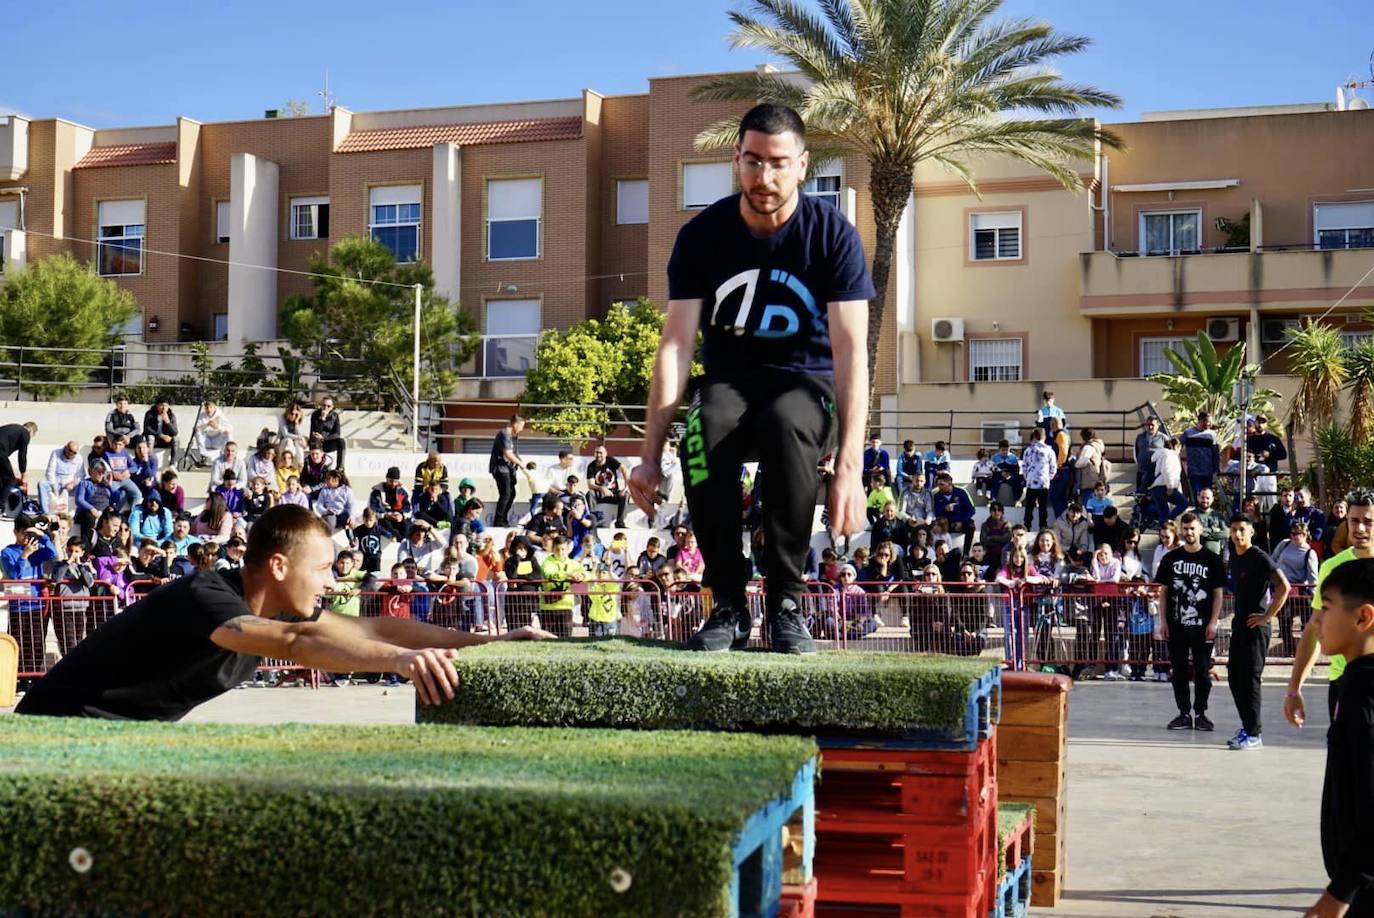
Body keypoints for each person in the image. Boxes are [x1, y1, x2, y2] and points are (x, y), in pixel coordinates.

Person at [628, 104, 873, 655]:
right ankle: (730, 603)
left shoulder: (832, 236)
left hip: (808, 386)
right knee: (704, 428)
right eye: (754, 162)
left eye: (779, 164)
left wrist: (851, 468)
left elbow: (851, 350)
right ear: (736, 159)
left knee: (788, 422)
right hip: (730, 382)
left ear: (804, 165)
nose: (765, 178)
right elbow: (676, 345)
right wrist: (647, 455)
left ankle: (786, 601)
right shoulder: (702, 236)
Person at [15, 504, 555, 719]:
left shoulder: (282, 612)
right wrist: (398, 661)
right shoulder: (206, 598)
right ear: (277, 566)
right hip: (58, 730)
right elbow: (294, 646)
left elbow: (375, 625)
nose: (332, 580)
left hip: (123, 741)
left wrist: (494, 643)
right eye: (320, 570)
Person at [1303, 558, 1374, 918]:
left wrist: (1343, 889)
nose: (1314, 620)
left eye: (1325, 608)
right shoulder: (1354, 685)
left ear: (1363, 618)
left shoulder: (1365, 693)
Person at [1286, 489, 1374, 728]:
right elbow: (1315, 627)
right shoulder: (1332, 567)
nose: (1361, 528)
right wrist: (1294, 689)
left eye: (1368, 522)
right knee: (1344, 761)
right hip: (1343, 683)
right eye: (1354, 521)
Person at [1224, 514, 1291, 751]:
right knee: (1234, 677)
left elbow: (1284, 586)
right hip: (1240, 625)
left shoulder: (1259, 557)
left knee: (1250, 679)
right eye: (1233, 530)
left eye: (1242, 529)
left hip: (1257, 626)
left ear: (1251, 531)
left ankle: (1255, 734)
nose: (1237, 534)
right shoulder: (1234, 555)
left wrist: (1267, 616)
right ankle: (1247, 726)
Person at [1155, 512, 1226, 732]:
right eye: (1185, 529)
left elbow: (1218, 594)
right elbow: (1163, 592)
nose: (1189, 533)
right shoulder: (1171, 558)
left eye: (1192, 528)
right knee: (1178, 671)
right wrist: (1162, 621)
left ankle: (1201, 713)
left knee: (1203, 672)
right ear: (1180, 530)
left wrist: (1214, 621)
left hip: (1202, 626)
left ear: (1201, 530)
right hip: (1176, 625)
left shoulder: (1211, 559)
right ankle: (1184, 713)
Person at [489, 414, 525, 527]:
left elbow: (512, 453)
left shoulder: (508, 436)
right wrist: (520, 464)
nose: (522, 429)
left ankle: (503, 518)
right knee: (506, 494)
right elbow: (508, 453)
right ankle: (499, 520)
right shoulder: (504, 434)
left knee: (511, 494)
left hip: (508, 469)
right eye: (522, 426)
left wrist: (518, 460)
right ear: (516, 424)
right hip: (501, 469)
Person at [585, 444, 629, 529]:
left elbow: (624, 470)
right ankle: (591, 521)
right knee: (590, 494)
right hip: (600, 493)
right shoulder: (591, 466)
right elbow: (590, 485)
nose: (598, 455)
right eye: (596, 452)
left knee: (625, 495)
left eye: (601, 453)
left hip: (613, 493)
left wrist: (626, 487)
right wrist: (602, 488)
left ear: (605, 453)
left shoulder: (611, 461)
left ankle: (620, 522)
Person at [1021, 429, 1056, 531]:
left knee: (1029, 507)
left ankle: (1027, 526)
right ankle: (1043, 526)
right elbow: (1053, 466)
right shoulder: (1049, 450)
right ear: (1044, 437)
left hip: (1031, 482)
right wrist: (1049, 477)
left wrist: (1027, 477)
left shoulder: (1028, 450)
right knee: (1043, 507)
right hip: (1043, 482)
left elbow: (1024, 466)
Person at [932, 473, 977, 554]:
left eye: (942, 484)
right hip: (946, 523)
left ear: (949, 483)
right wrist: (945, 509)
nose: (939, 487)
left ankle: (966, 553)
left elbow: (971, 510)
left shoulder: (961, 492)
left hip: (961, 520)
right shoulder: (937, 495)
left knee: (971, 526)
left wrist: (961, 521)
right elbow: (937, 512)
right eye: (938, 485)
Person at [73, 462, 117, 543]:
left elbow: (116, 498)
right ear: (91, 472)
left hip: (104, 512)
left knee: (117, 518)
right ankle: (86, 545)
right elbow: (79, 500)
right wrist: (92, 509)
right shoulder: (84, 483)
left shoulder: (106, 486)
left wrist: (110, 486)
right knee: (89, 517)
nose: (101, 475)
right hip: (88, 512)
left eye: (103, 472)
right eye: (98, 472)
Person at [39, 441, 84, 516]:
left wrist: (73, 483)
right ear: (66, 447)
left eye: (74, 452)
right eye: (70, 450)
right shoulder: (56, 453)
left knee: (82, 486)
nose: (71, 453)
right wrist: (54, 487)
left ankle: (76, 514)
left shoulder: (79, 458)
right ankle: (46, 513)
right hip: (55, 483)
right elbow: (50, 472)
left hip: (69, 486)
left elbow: (81, 476)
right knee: (42, 484)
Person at [1182, 412, 1220, 502]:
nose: (1209, 424)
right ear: (1200, 420)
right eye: (1207, 421)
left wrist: (1216, 469)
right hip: (1194, 471)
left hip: (1207, 471)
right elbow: (1177, 446)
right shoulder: (1188, 433)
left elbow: (1215, 453)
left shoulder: (1212, 435)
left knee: (1207, 495)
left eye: (1210, 422)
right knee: (1197, 495)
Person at [368, 466, 412, 540]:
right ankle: (400, 539)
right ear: (386, 479)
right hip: (384, 517)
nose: (393, 484)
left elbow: (408, 508)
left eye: (395, 481)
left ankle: (405, 541)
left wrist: (402, 515)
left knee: (407, 524)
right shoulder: (377, 492)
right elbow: (372, 508)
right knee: (385, 523)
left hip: (398, 517)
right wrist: (385, 515)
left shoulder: (403, 491)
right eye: (391, 481)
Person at [0, 420, 37, 501]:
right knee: (10, 480)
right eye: (31, 436)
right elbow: (22, 455)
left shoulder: (12, 428)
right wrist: (23, 473)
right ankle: (1, 506)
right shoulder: (25, 433)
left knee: (2, 479)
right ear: (31, 431)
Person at [1189, 488, 1229, 556]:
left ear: (1212, 499)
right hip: (1197, 554)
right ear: (1198, 498)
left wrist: (1205, 532)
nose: (1205, 500)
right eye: (1202, 498)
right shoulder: (1192, 515)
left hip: (1215, 555)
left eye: (1207, 498)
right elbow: (1193, 532)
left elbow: (1226, 533)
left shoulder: (1218, 515)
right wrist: (1213, 530)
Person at [1073, 427, 1109, 506]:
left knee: (1088, 506)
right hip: (1095, 479)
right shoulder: (1097, 446)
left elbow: (1081, 462)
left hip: (1088, 481)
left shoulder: (1088, 447)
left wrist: (1074, 463)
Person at [309, 396, 346, 471]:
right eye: (324, 405)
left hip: (329, 442)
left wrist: (324, 438)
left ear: (332, 407)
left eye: (328, 406)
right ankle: (317, 468)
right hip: (317, 442)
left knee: (341, 441)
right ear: (321, 405)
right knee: (316, 439)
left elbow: (337, 433)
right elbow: (315, 432)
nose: (326, 407)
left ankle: (340, 467)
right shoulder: (315, 415)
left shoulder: (335, 416)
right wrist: (322, 419)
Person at [140, 397, 179, 464]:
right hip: (154, 440)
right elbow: (147, 429)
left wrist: (168, 422)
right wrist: (160, 435)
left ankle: (173, 463)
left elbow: (175, 432)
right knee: (150, 437)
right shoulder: (150, 414)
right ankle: (149, 462)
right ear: (157, 405)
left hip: (166, 441)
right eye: (161, 405)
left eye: (166, 405)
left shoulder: (171, 415)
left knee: (176, 439)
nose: (164, 408)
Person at [1134, 416, 1167, 494]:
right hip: (1142, 471)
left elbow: (1169, 454)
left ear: (1157, 425)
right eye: (1148, 425)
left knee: (1156, 496)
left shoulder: (1163, 438)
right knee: (1141, 495)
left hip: (1156, 473)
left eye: (1152, 425)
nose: (1150, 427)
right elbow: (1136, 451)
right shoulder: (1140, 437)